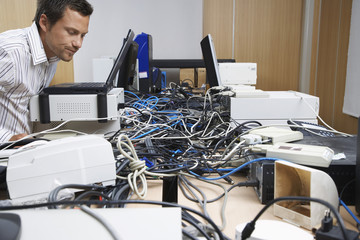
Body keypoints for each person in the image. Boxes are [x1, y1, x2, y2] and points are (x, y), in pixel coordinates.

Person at [0, 0, 93, 143]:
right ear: (44, 23)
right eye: (71, 32)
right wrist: (7, 138)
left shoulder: (52, 54)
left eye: (82, 35)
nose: (78, 44)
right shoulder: (9, 52)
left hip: (23, 150)